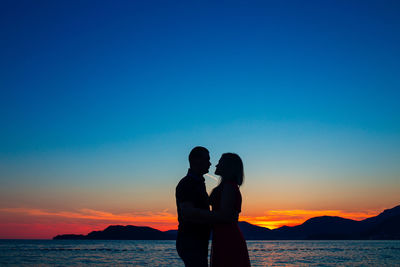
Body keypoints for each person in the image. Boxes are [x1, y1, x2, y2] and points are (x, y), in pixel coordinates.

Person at [209, 153, 250, 267]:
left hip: (227, 237)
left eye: (220, 162)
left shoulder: (229, 186)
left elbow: (224, 215)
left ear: (228, 166)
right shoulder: (227, 186)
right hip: (223, 235)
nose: (216, 165)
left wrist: (197, 214)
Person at [175, 146, 212, 267]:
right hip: (191, 241)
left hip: (197, 241)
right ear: (196, 160)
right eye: (207, 159)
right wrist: (218, 216)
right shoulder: (187, 183)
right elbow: (187, 212)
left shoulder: (198, 183)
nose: (210, 163)